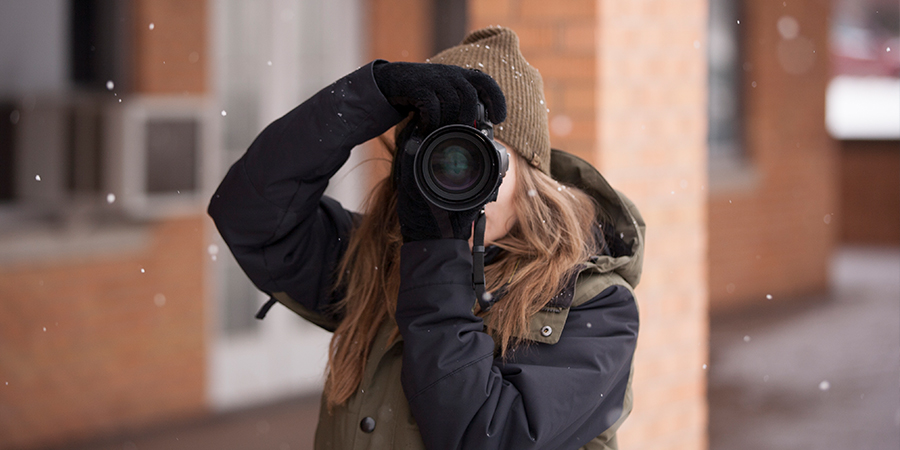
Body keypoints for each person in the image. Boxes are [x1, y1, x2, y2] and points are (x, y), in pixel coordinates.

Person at [209, 26, 644, 450]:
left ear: (529, 174)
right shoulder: (378, 263)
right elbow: (249, 215)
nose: (457, 179)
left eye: (478, 159)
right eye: (436, 159)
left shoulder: (595, 305)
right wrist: (367, 97)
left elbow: (483, 436)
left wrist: (438, 255)